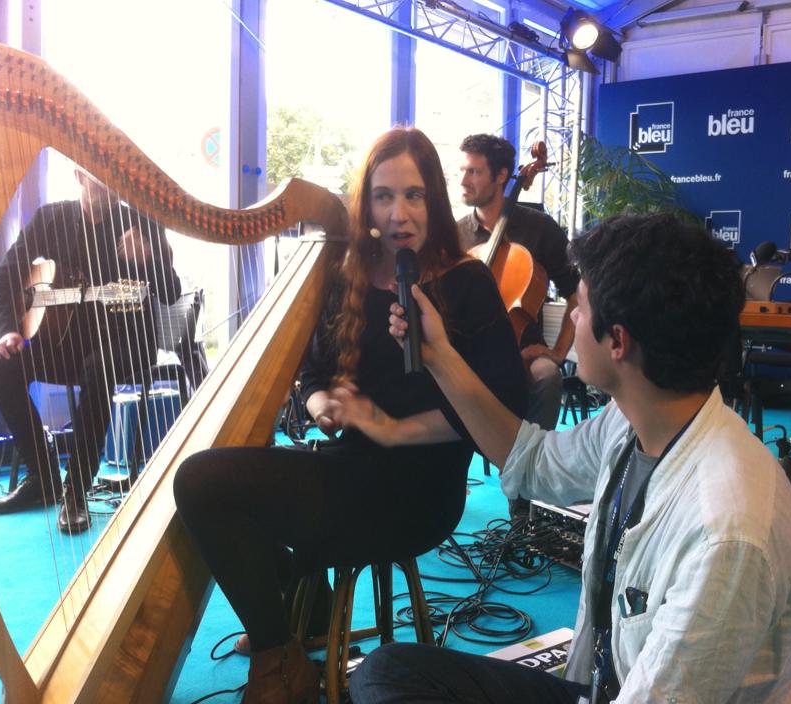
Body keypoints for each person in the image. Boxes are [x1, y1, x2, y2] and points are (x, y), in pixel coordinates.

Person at [351, 213, 791, 703]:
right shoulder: (636, 418)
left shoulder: (726, 533)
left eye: (581, 308)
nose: (571, 319)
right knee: (386, 673)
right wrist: (439, 355)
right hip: (601, 687)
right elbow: (533, 462)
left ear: (618, 341)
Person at [172, 127, 527, 704]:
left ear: (434, 200)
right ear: (367, 206)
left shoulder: (467, 282)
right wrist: (322, 405)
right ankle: (286, 633)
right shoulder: (348, 276)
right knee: (210, 482)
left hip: (420, 491)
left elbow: (505, 407)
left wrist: (394, 428)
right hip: (346, 465)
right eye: (384, 196)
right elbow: (314, 375)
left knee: (203, 482)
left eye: (413, 195)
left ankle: (277, 661)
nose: (399, 213)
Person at [0, 168, 181, 533]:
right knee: (0, 369)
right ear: (79, 174)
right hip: (63, 344)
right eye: (100, 176)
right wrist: (8, 330)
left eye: (115, 177)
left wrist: (150, 257)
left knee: (99, 367)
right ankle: (43, 476)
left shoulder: (141, 222)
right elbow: (2, 279)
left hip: (127, 343)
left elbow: (171, 293)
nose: (109, 185)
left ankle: (76, 490)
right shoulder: (51, 218)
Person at [458, 134, 579, 432]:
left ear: (501, 176)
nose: (463, 180)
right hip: (467, 355)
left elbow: (577, 294)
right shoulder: (456, 235)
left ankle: (534, 458)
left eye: (474, 171)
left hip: (523, 355)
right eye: (462, 170)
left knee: (547, 375)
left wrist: (559, 352)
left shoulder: (539, 228)